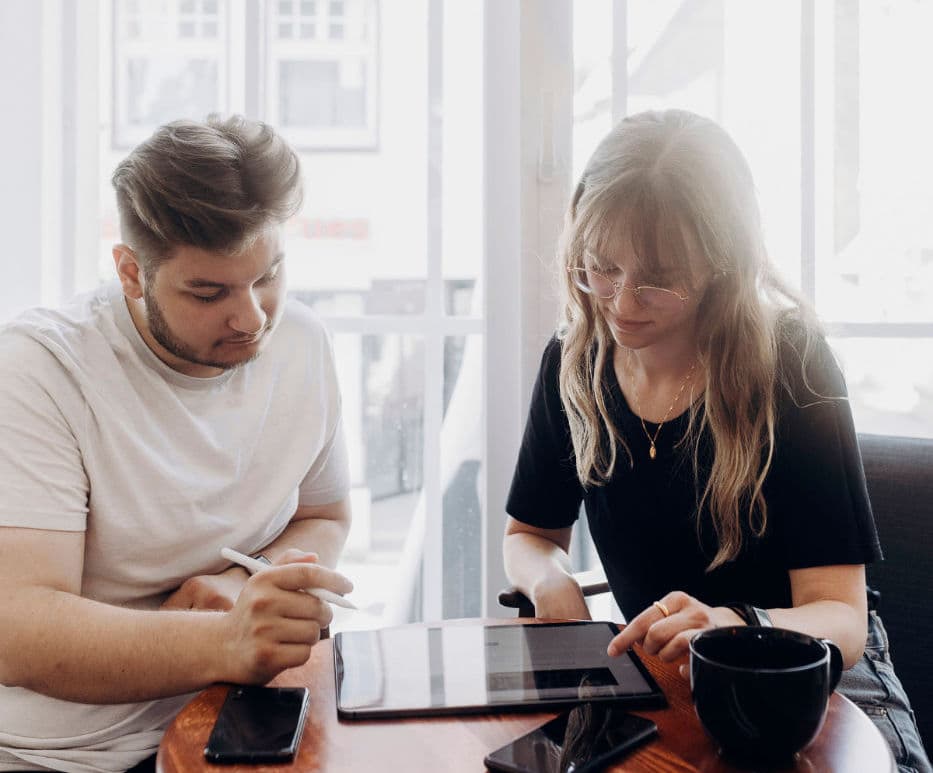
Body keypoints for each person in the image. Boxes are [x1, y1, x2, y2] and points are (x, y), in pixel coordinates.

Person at [503, 109, 931, 773]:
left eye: (657, 277)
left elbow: (842, 620)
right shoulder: (574, 362)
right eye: (601, 266)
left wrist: (733, 621)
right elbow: (526, 533)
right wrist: (549, 579)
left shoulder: (789, 363)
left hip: (814, 680)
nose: (620, 303)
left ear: (719, 263)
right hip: (666, 684)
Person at [0, 115, 353, 773]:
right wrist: (224, 638)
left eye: (267, 275)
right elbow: (18, 629)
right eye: (209, 291)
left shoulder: (302, 341)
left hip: (243, 724)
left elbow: (323, 513)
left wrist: (240, 582)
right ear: (132, 272)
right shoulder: (39, 371)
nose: (251, 317)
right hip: (69, 756)